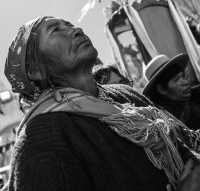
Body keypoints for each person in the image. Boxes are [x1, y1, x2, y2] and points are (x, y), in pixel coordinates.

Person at [3, 16, 200, 191]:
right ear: (34, 70)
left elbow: (183, 142)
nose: (76, 30)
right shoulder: (42, 137)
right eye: (56, 30)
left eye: (70, 24)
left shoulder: (125, 94)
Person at [142, 53, 200, 130]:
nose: (185, 82)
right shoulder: (164, 121)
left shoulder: (196, 95)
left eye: (183, 76)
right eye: (176, 80)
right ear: (162, 90)